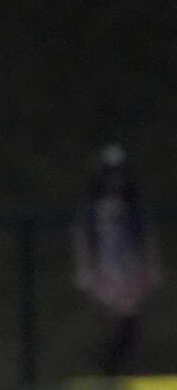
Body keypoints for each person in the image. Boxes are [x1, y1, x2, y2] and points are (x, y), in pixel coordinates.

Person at [71, 143, 163, 375]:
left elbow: (145, 240)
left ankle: (118, 368)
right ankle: (105, 369)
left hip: (129, 272)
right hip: (103, 272)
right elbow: (84, 240)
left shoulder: (133, 209)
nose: (115, 181)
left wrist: (149, 271)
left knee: (130, 323)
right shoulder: (91, 210)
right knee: (108, 324)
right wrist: (86, 271)